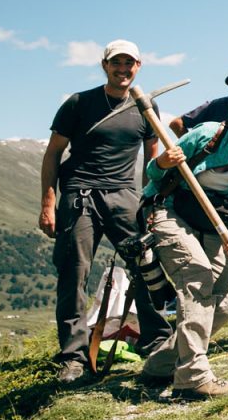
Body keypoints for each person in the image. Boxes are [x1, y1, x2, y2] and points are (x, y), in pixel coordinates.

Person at [38, 39, 172, 384]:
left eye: (129, 63)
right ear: (104, 65)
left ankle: (155, 340)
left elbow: (151, 155)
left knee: (147, 265)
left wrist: (150, 199)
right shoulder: (79, 103)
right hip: (80, 195)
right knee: (74, 274)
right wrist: (48, 203)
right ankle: (74, 358)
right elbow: (53, 153)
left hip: (125, 196)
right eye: (116, 63)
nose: (123, 69)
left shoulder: (145, 106)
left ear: (138, 66)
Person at [140, 86, 228, 398]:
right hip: (171, 212)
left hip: (214, 225)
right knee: (198, 277)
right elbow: (153, 173)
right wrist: (163, 162)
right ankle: (192, 377)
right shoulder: (208, 134)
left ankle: (160, 366)